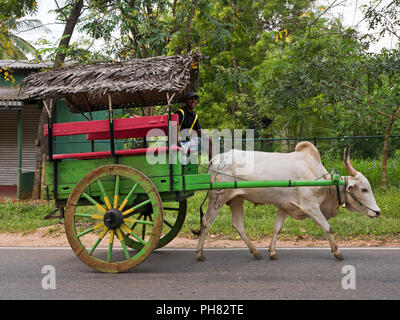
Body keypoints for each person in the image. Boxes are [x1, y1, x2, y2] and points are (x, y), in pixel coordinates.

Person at [175, 91, 212, 163]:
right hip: (179, 141)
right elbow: (174, 132)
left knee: (209, 140)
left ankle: (211, 166)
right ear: (186, 101)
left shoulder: (194, 116)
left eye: (195, 99)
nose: (193, 101)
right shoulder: (180, 113)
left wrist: (207, 137)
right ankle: (182, 173)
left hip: (188, 141)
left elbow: (199, 131)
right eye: (191, 99)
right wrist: (179, 145)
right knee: (183, 154)